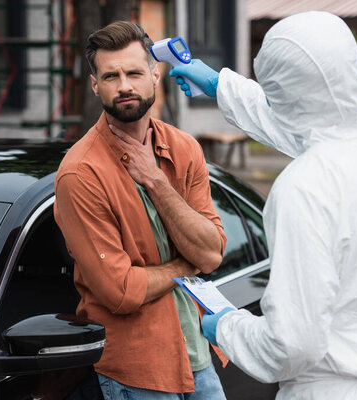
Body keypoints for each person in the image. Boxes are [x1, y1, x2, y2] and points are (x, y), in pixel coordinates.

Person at [169, 10, 357, 400]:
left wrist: (227, 326)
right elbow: (306, 126)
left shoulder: (304, 189)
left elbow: (291, 345)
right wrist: (219, 85)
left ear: (283, 91)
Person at [54, 21, 228, 399]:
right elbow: (120, 291)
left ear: (154, 74)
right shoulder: (81, 173)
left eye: (134, 72)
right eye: (111, 76)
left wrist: (156, 181)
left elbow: (211, 253)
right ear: (95, 85)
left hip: (199, 358)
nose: (125, 86)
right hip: (137, 374)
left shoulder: (183, 148)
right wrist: (186, 266)